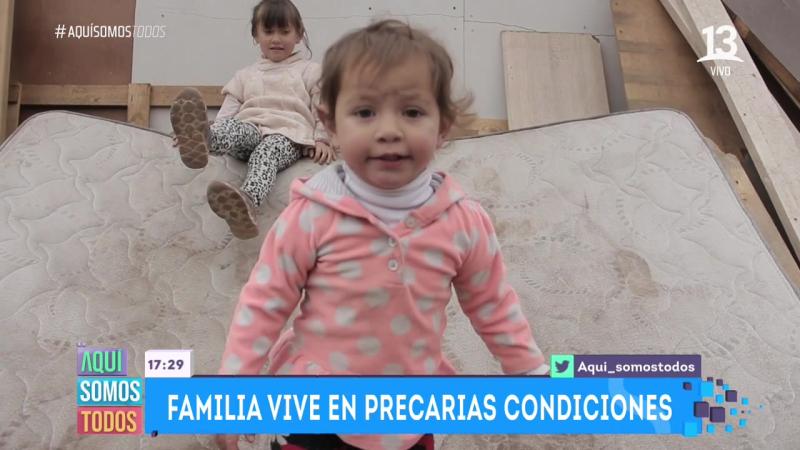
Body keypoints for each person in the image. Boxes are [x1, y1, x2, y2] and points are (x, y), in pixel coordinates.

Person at [216, 19, 549, 450]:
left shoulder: (462, 221)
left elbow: (493, 302)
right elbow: (264, 301)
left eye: (412, 112)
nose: (389, 130)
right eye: (365, 112)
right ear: (331, 124)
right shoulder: (312, 214)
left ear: (443, 126)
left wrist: (527, 369)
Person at [170, 0, 335, 240]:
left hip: (287, 136)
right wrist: (199, 132)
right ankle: (204, 139)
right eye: (268, 31)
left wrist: (322, 139)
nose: (276, 39)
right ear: (256, 35)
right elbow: (229, 111)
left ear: (299, 34)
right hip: (252, 129)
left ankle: (246, 202)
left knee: (266, 153)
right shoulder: (245, 75)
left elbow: (323, 106)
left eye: (284, 31)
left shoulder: (310, 71)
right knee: (233, 129)